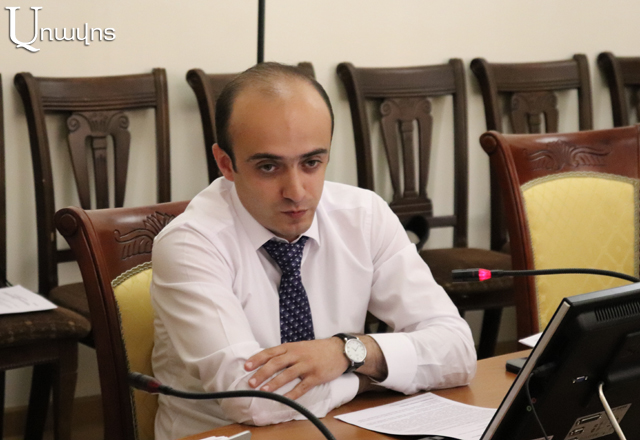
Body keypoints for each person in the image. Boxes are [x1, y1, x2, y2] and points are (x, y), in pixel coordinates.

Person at [150, 62, 476, 440]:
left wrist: (348, 352)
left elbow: (457, 350)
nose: (296, 192)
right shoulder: (190, 244)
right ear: (227, 163)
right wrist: (367, 377)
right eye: (269, 167)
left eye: (311, 163)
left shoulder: (363, 215)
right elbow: (253, 401)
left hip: (342, 428)